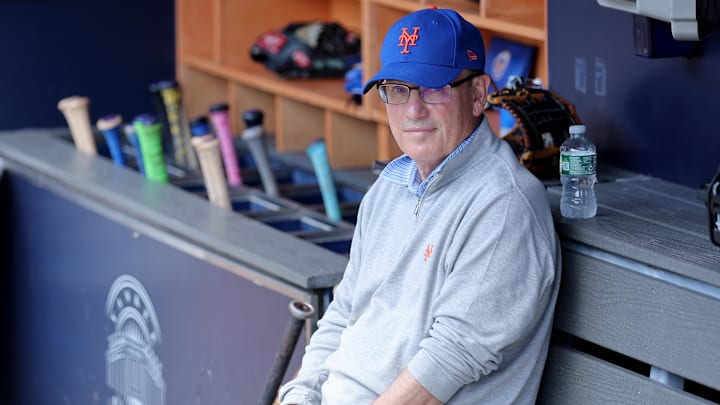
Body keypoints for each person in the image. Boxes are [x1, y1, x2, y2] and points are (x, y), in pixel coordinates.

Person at [279, 7, 560, 405]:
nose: (414, 110)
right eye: (398, 89)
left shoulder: (503, 203)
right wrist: (300, 395)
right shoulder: (389, 189)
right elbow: (344, 312)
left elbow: (449, 359)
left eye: (434, 88)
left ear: (479, 94)